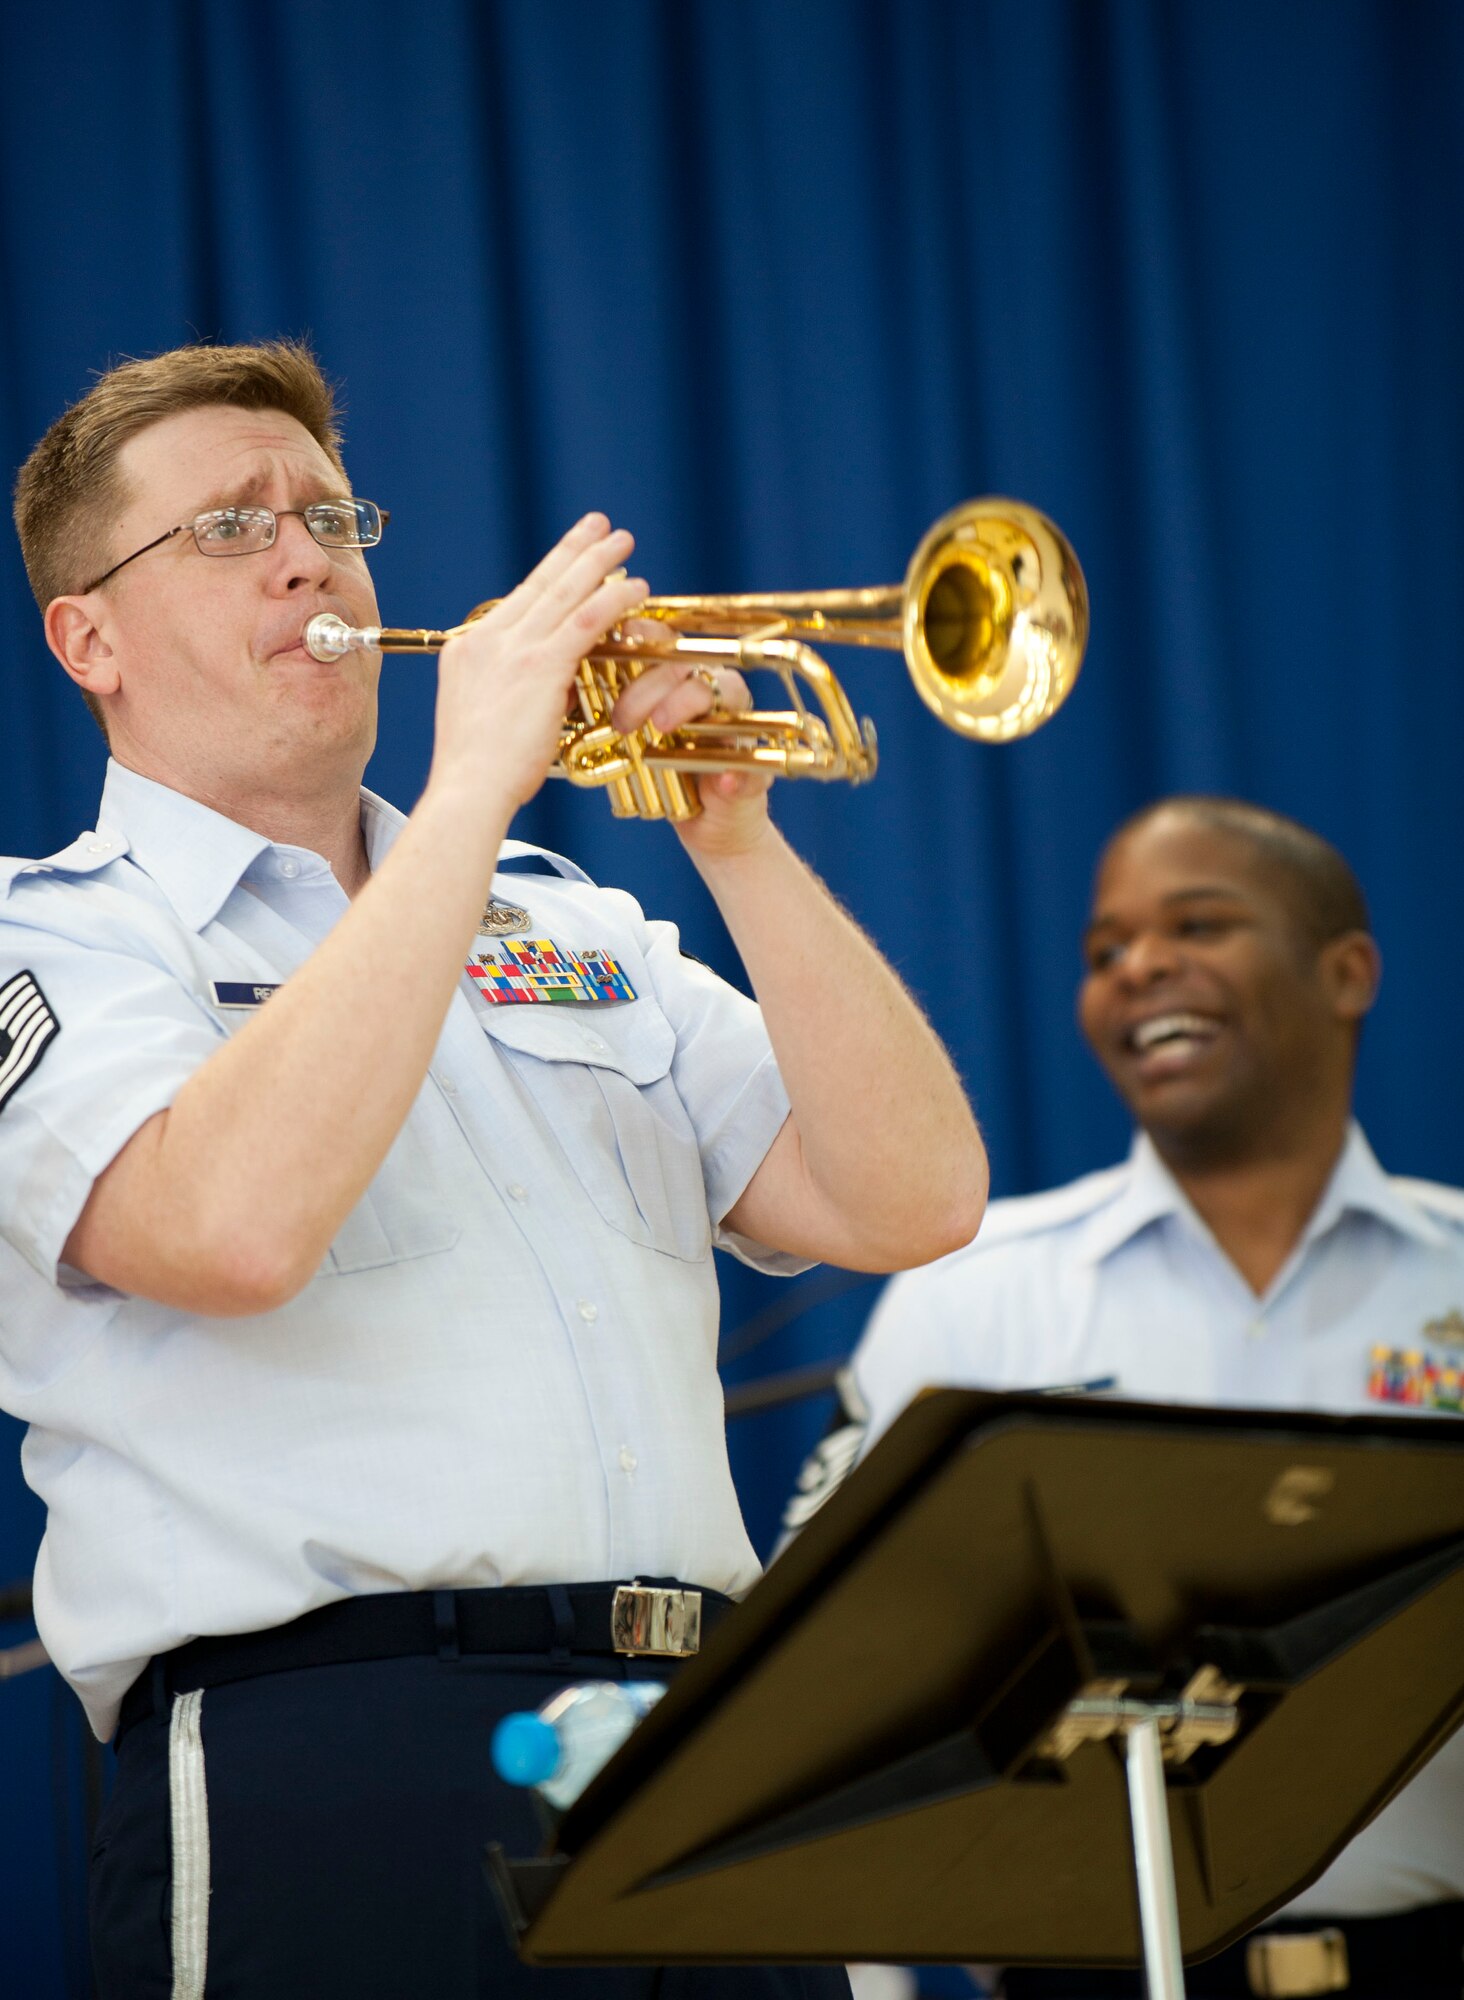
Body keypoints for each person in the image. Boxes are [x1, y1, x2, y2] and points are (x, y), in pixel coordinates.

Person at [0, 340, 988, 2000]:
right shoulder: (55, 935)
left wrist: (731, 833)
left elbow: (911, 1202)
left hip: (701, 1740)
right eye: (230, 528)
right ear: (85, 637)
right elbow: (226, 1232)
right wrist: (463, 796)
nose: (311, 554)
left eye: (329, 511)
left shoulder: (573, 922)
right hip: (327, 1757)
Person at [785, 798, 1464, 2000]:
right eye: (1106, 951)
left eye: (1199, 923)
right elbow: (823, 1689)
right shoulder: (971, 1294)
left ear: (1346, 970)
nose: (1142, 966)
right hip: (1087, 1972)